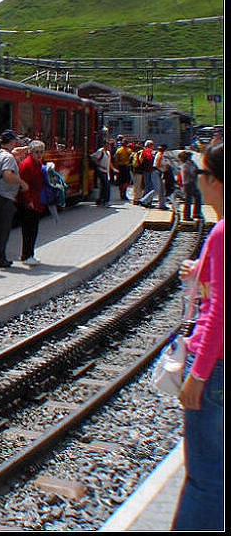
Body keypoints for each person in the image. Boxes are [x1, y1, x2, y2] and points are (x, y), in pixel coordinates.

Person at [172, 142, 223, 531]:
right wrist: (201, 270)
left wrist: (199, 375)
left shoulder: (221, 233)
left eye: (202, 175)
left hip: (216, 369)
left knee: (206, 478)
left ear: (218, 183)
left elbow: (218, 315)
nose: (197, 182)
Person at [0, 130, 28, 268]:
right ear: (11, 142)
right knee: (3, 229)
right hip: (4, 197)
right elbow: (7, 175)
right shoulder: (8, 158)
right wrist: (21, 183)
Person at [18, 140, 46, 265]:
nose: (39, 155)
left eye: (41, 152)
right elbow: (23, 185)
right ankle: (26, 255)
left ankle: (30, 254)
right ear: (31, 152)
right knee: (29, 229)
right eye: (36, 152)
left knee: (33, 229)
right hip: (30, 202)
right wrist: (28, 201)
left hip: (36, 200)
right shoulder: (27, 165)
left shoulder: (38, 163)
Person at [178, 150, 203, 221]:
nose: (190, 157)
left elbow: (196, 169)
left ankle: (196, 213)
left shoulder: (191, 163)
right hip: (188, 184)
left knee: (198, 197)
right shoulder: (185, 164)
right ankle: (186, 216)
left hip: (193, 183)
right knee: (188, 200)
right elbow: (192, 172)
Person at [90, 140, 115, 206]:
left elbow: (109, 162)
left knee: (104, 186)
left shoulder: (108, 152)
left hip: (106, 171)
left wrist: (113, 168)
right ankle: (105, 200)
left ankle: (101, 200)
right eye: (108, 145)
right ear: (105, 145)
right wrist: (101, 166)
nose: (110, 146)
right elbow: (94, 158)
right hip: (101, 170)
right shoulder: (100, 151)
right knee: (106, 186)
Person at [136, 140, 159, 207]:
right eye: (152, 144)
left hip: (145, 170)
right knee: (150, 187)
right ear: (150, 145)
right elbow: (150, 159)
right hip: (149, 170)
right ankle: (146, 201)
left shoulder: (144, 151)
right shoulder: (148, 151)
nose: (153, 146)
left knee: (147, 186)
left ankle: (144, 200)